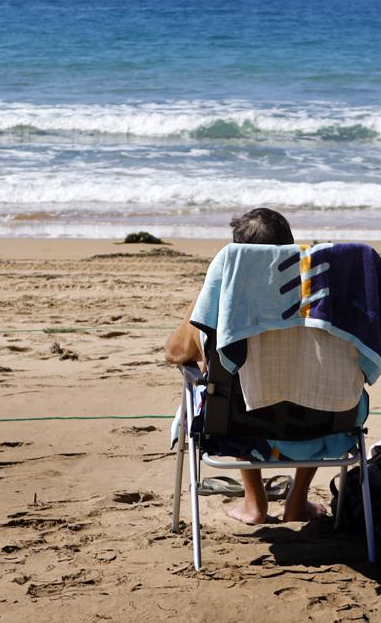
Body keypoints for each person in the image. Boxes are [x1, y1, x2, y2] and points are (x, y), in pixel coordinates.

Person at [164, 208, 327, 525]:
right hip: (318, 423)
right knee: (312, 378)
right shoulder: (319, 302)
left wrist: (204, 297)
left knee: (230, 384)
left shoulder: (220, 304)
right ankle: (298, 499)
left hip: (240, 424)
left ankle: (254, 503)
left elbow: (174, 351)